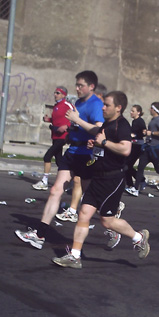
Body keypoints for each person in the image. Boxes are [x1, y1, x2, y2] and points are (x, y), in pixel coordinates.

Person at [51, 91, 150, 269]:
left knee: (107, 221)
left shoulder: (123, 125)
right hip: (98, 177)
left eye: (107, 105)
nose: (103, 107)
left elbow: (126, 149)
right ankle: (75, 256)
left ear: (118, 108)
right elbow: (98, 134)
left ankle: (139, 238)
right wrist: (96, 144)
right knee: (83, 214)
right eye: (103, 104)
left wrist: (103, 143)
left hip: (112, 180)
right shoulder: (108, 123)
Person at [15, 71, 104, 249]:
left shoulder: (96, 104)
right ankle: (40, 235)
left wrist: (76, 119)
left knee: (92, 199)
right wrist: (70, 128)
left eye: (81, 85)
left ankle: (114, 226)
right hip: (72, 151)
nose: (77, 88)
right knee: (56, 190)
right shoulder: (78, 103)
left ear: (91, 86)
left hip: (87, 156)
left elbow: (98, 130)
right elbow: (77, 124)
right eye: (76, 85)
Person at [127, 102, 159, 198]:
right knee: (140, 167)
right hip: (148, 148)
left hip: (157, 149)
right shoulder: (153, 119)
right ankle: (136, 189)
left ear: (155, 110)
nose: (149, 110)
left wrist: (151, 133)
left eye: (151, 108)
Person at [32, 87, 74, 191]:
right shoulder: (56, 106)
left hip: (63, 136)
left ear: (63, 95)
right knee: (60, 161)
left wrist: (67, 127)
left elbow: (76, 116)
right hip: (55, 135)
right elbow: (57, 119)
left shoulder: (67, 105)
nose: (55, 95)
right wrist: (49, 119)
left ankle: (44, 181)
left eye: (58, 93)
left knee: (47, 156)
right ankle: (68, 181)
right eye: (55, 93)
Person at [124, 104, 146, 189]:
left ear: (138, 112)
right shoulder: (134, 121)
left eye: (133, 111)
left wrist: (135, 135)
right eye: (131, 110)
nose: (131, 112)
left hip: (138, 146)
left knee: (127, 165)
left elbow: (143, 132)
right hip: (132, 145)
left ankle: (135, 183)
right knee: (126, 165)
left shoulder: (140, 121)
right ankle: (134, 182)